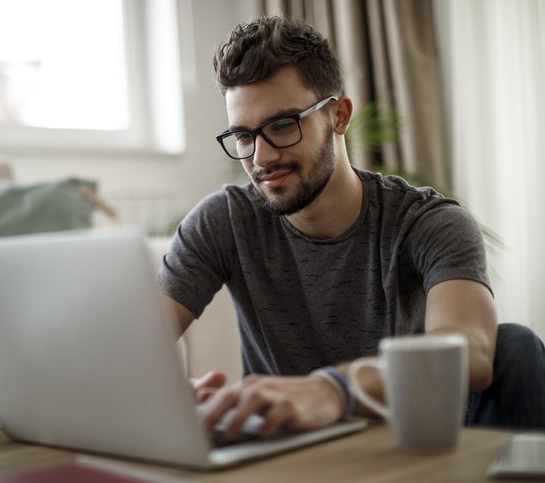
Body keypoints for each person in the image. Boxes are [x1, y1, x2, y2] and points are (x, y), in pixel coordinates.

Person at [157, 16, 527, 442]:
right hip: (286, 454)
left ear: (339, 116)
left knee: (516, 349)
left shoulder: (428, 222)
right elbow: (143, 337)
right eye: (244, 136)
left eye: (282, 126)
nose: (261, 158)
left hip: (410, 447)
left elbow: (473, 350)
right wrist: (167, 392)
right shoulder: (223, 221)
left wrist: (333, 389)